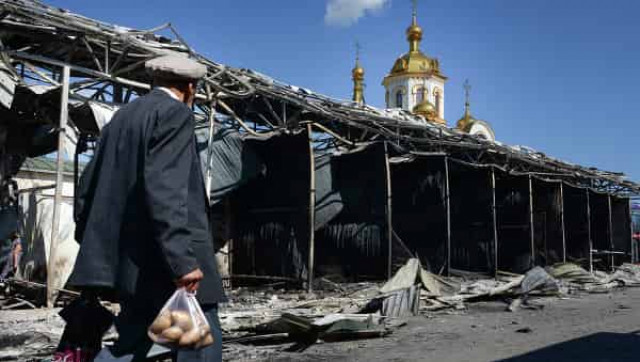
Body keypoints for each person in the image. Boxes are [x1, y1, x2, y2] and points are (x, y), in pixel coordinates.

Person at [67, 54, 226, 361]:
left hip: (130, 265)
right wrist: (181, 260)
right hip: (164, 264)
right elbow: (166, 189)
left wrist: (100, 249)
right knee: (199, 343)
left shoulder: (121, 118)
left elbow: (87, 187)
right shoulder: (174, 114)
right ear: (191, 88)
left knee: (134, 341)